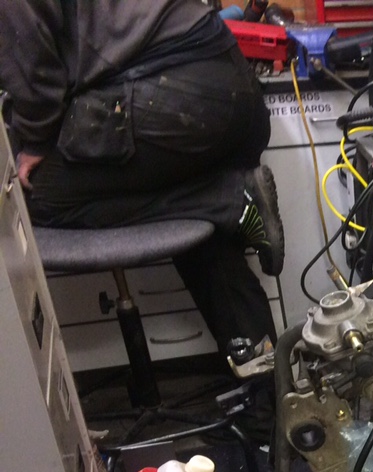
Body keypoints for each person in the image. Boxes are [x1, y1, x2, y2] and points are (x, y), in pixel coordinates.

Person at [0, 0, 286, 354]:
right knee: (207, 236)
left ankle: (228, 200)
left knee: (29, 199)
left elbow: (36, 76)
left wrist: (34, 139)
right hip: (229, 89)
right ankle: (265, 377)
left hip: (178, 98)